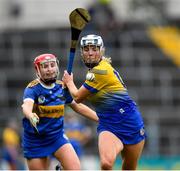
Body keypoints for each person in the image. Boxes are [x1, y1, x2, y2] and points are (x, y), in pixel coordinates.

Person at [62, 34, 146, 170]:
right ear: (82, 52)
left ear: (101, 51)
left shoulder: (100, 71)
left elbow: (77, 97)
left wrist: (69, 82)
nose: (90, 53)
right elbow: (77, 104)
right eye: (86, 49)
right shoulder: (97, 70)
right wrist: (68, 99)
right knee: (106, 164)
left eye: (94, 49)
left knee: (129, 168)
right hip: (109, 125)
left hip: (131, 123)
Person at [21, 53, 98, 170]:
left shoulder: (61, 88)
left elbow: (78, 107)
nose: (50, 69)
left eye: (52, 65)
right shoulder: (32, 89)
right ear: (38, 70)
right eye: (45, 66)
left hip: (57, 137)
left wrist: (101, 119)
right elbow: (26, 106)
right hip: (35, 141)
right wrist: (30, 114)